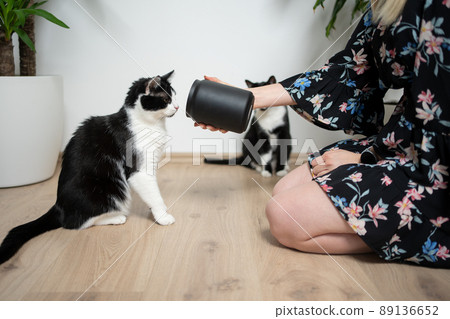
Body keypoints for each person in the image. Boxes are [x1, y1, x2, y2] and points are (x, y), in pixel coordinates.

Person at [195, 0, 449, 268]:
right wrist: (245, 98)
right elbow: (351, 71)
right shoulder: (384, 4)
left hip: (434, 163)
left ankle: (432, 236)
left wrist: (366, 160)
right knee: (284, 189)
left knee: (284, 216)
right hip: (397, 141)